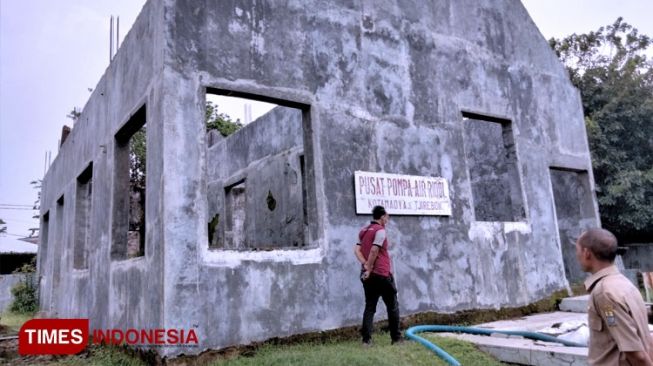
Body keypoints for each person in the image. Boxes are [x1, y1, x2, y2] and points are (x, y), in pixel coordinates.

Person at [575, 228, 653, 365]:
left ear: (587, 253)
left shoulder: (605, 293)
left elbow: (635, 354)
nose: (577, 256)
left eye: (578, 250)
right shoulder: (624, 283)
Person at [353, 205, 402, 346]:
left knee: (370, 307)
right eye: (387, 216)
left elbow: (357, 251)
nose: (388, 219)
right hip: (382, 273)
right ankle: (396, 339)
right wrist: (369, 266)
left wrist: (365, 266)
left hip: (368, 276)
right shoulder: (380, 231)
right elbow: (374, 250)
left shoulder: (363, 231)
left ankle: (366, 341)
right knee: (392, 305)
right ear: (381, 217)